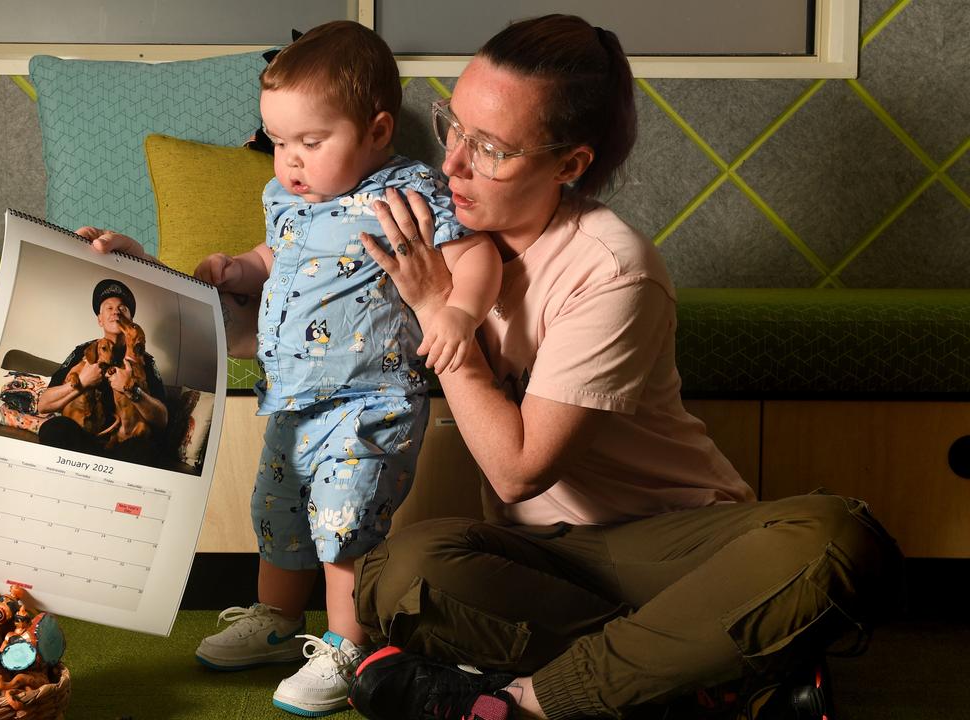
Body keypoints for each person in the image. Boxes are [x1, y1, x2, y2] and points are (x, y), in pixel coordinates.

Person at [333, 14, 905, 720]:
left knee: (837, 540)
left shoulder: (610, 269)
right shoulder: (433, 232)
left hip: (672, 549)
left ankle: (530, 700)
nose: (451, 162)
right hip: (541, 557)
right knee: (398, 575)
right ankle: (707, 677)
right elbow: (297, 327)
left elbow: (518, 468)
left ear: (569, 164)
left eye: (490, 149)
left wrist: (437, 311)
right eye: (453, 122)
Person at [87, 20, 502, 717]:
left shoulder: (409, 192)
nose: (291, 161)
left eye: (311, 143)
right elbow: (271, 258)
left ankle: (349, 645)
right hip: (288, 398)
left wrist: (458, 314)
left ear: (374, 131)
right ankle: (278, 623)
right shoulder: (287, 200)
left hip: (369, 400)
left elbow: (474, 255)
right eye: (278, 142)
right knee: (278, 514)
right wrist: (236, 266)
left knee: (345, 523)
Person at [36, 279, 169, 465]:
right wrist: (82, 381)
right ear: (100, 319)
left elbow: (162, 419)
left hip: (124, 447)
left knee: (147, 449)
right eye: (109, 307)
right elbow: (43, 404)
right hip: (82, 441)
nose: (116, 311)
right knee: (53, 429)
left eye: (122, 308)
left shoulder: (144, 360)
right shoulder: (83, 352)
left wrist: (133, 392)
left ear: (129, 321)